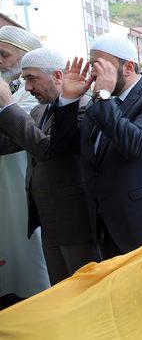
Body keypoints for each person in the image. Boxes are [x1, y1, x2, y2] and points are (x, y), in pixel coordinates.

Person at [51, 34, 142, 259]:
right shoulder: (101, 101)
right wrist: (68, 100)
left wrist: (104, 97)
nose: (94, 73)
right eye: (91, 64)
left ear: (128, 67)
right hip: (109, 227)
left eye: (101, 65)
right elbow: (62, 147)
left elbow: (134, 144)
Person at [0, 48, 98, 285]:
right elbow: (8, 144)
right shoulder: (39, 110)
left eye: (32, 79)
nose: (28, 88)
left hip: (76, 224)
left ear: (57, 76)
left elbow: (46, 150)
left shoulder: (84, 107)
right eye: (24, 80)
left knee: (84, 294)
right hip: (48, 221)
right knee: (60, 297)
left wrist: (7, 103)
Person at [0, 26, 50, 301]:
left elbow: (20, 138)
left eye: (4, 54)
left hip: (26, 186)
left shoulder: (33, 95)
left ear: (25, 58)